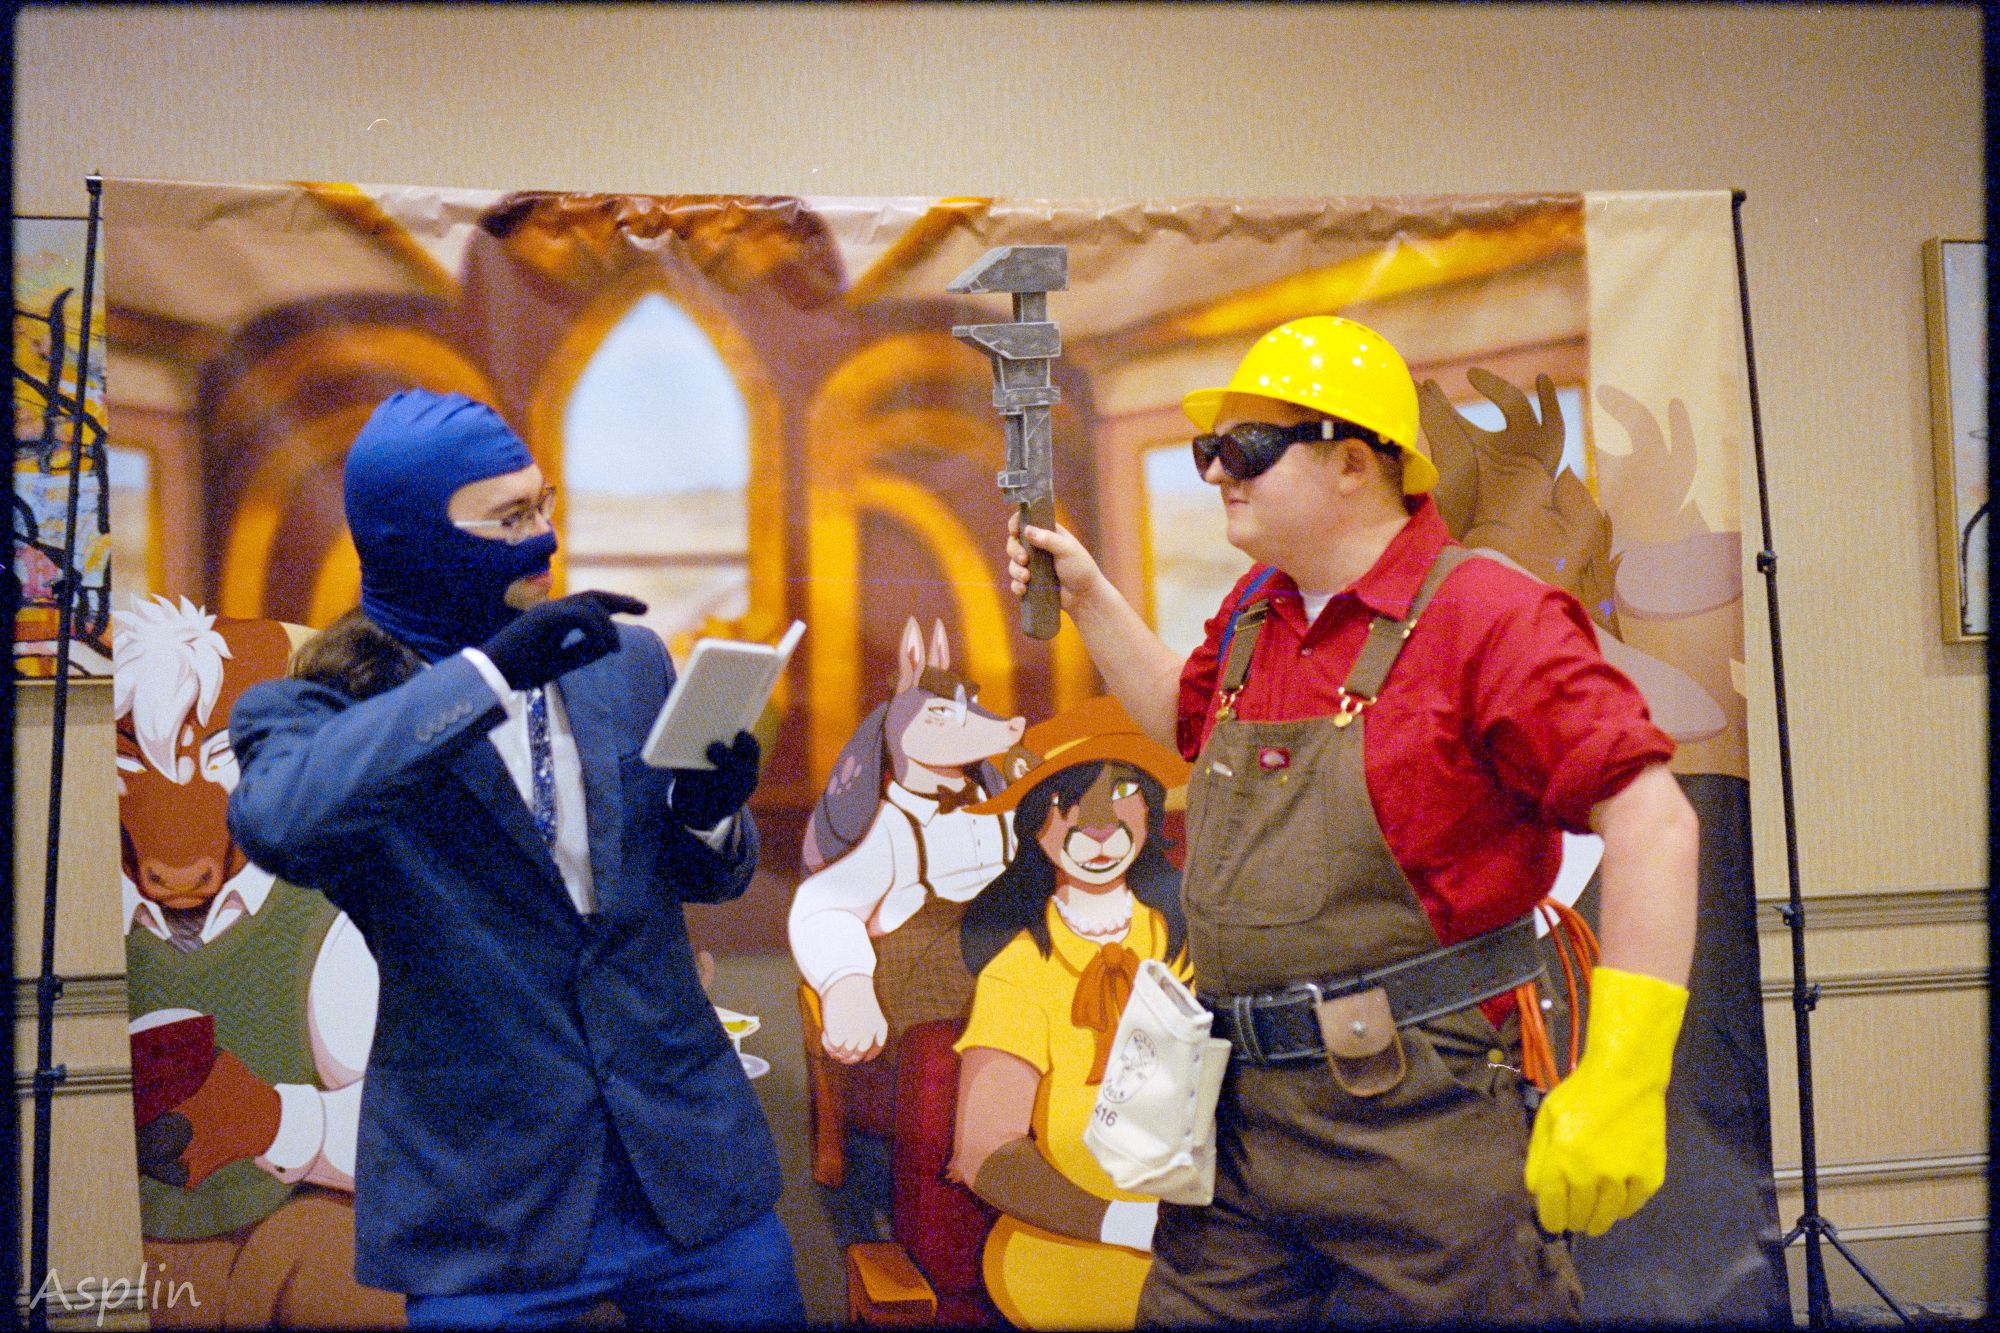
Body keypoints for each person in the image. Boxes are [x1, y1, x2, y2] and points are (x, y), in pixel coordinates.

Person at [1006, 316, 1698, 1325]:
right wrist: (1087, 594)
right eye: (1209, 449)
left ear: (1352, 462)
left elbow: (1653, 820)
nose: (1217, 472)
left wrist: (1626, 1078)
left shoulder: (1489, 617)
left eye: (1247, 447)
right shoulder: (1258, 609)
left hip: (1423, 1126)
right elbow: (1185, 721)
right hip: (1239, 1122)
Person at [225, 389, 806, 1329]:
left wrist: (706, 816)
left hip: (688, 1175)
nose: (544, 539)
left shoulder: (625, 660)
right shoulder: (320, 711)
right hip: (487, 1205)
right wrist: (490, 674)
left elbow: (703, 875)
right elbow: (282, 822)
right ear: (414, 540)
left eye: (545, 505)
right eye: (509, 518)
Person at [946, 696, 1192, 1330]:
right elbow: (985, 1151)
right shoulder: (1019, 969)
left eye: (1124, 791)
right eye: (1067, 802)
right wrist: (1124, 1223)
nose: (1099, 827)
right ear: (1036, 825)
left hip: (1211, 1260)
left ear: (1152, 808)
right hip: (1068, 1262)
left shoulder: (1191, 939)